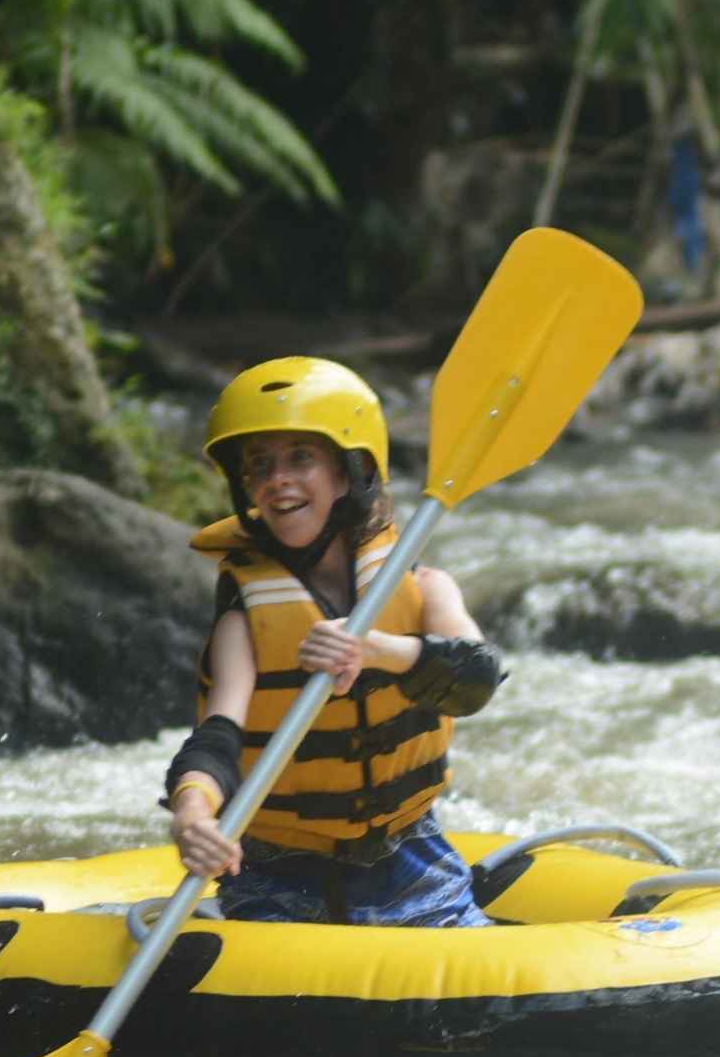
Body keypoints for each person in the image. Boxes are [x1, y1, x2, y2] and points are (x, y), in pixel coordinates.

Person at [163, 356, 503, 928]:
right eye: (260, 465)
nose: (278, 480)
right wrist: (191, 812)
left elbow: (476, 681)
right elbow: (217, 738)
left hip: (409, 860)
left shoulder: (425, 589)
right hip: (276, 873)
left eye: (301, 458)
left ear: (347, 474)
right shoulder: (244, 619)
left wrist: (376, 651)